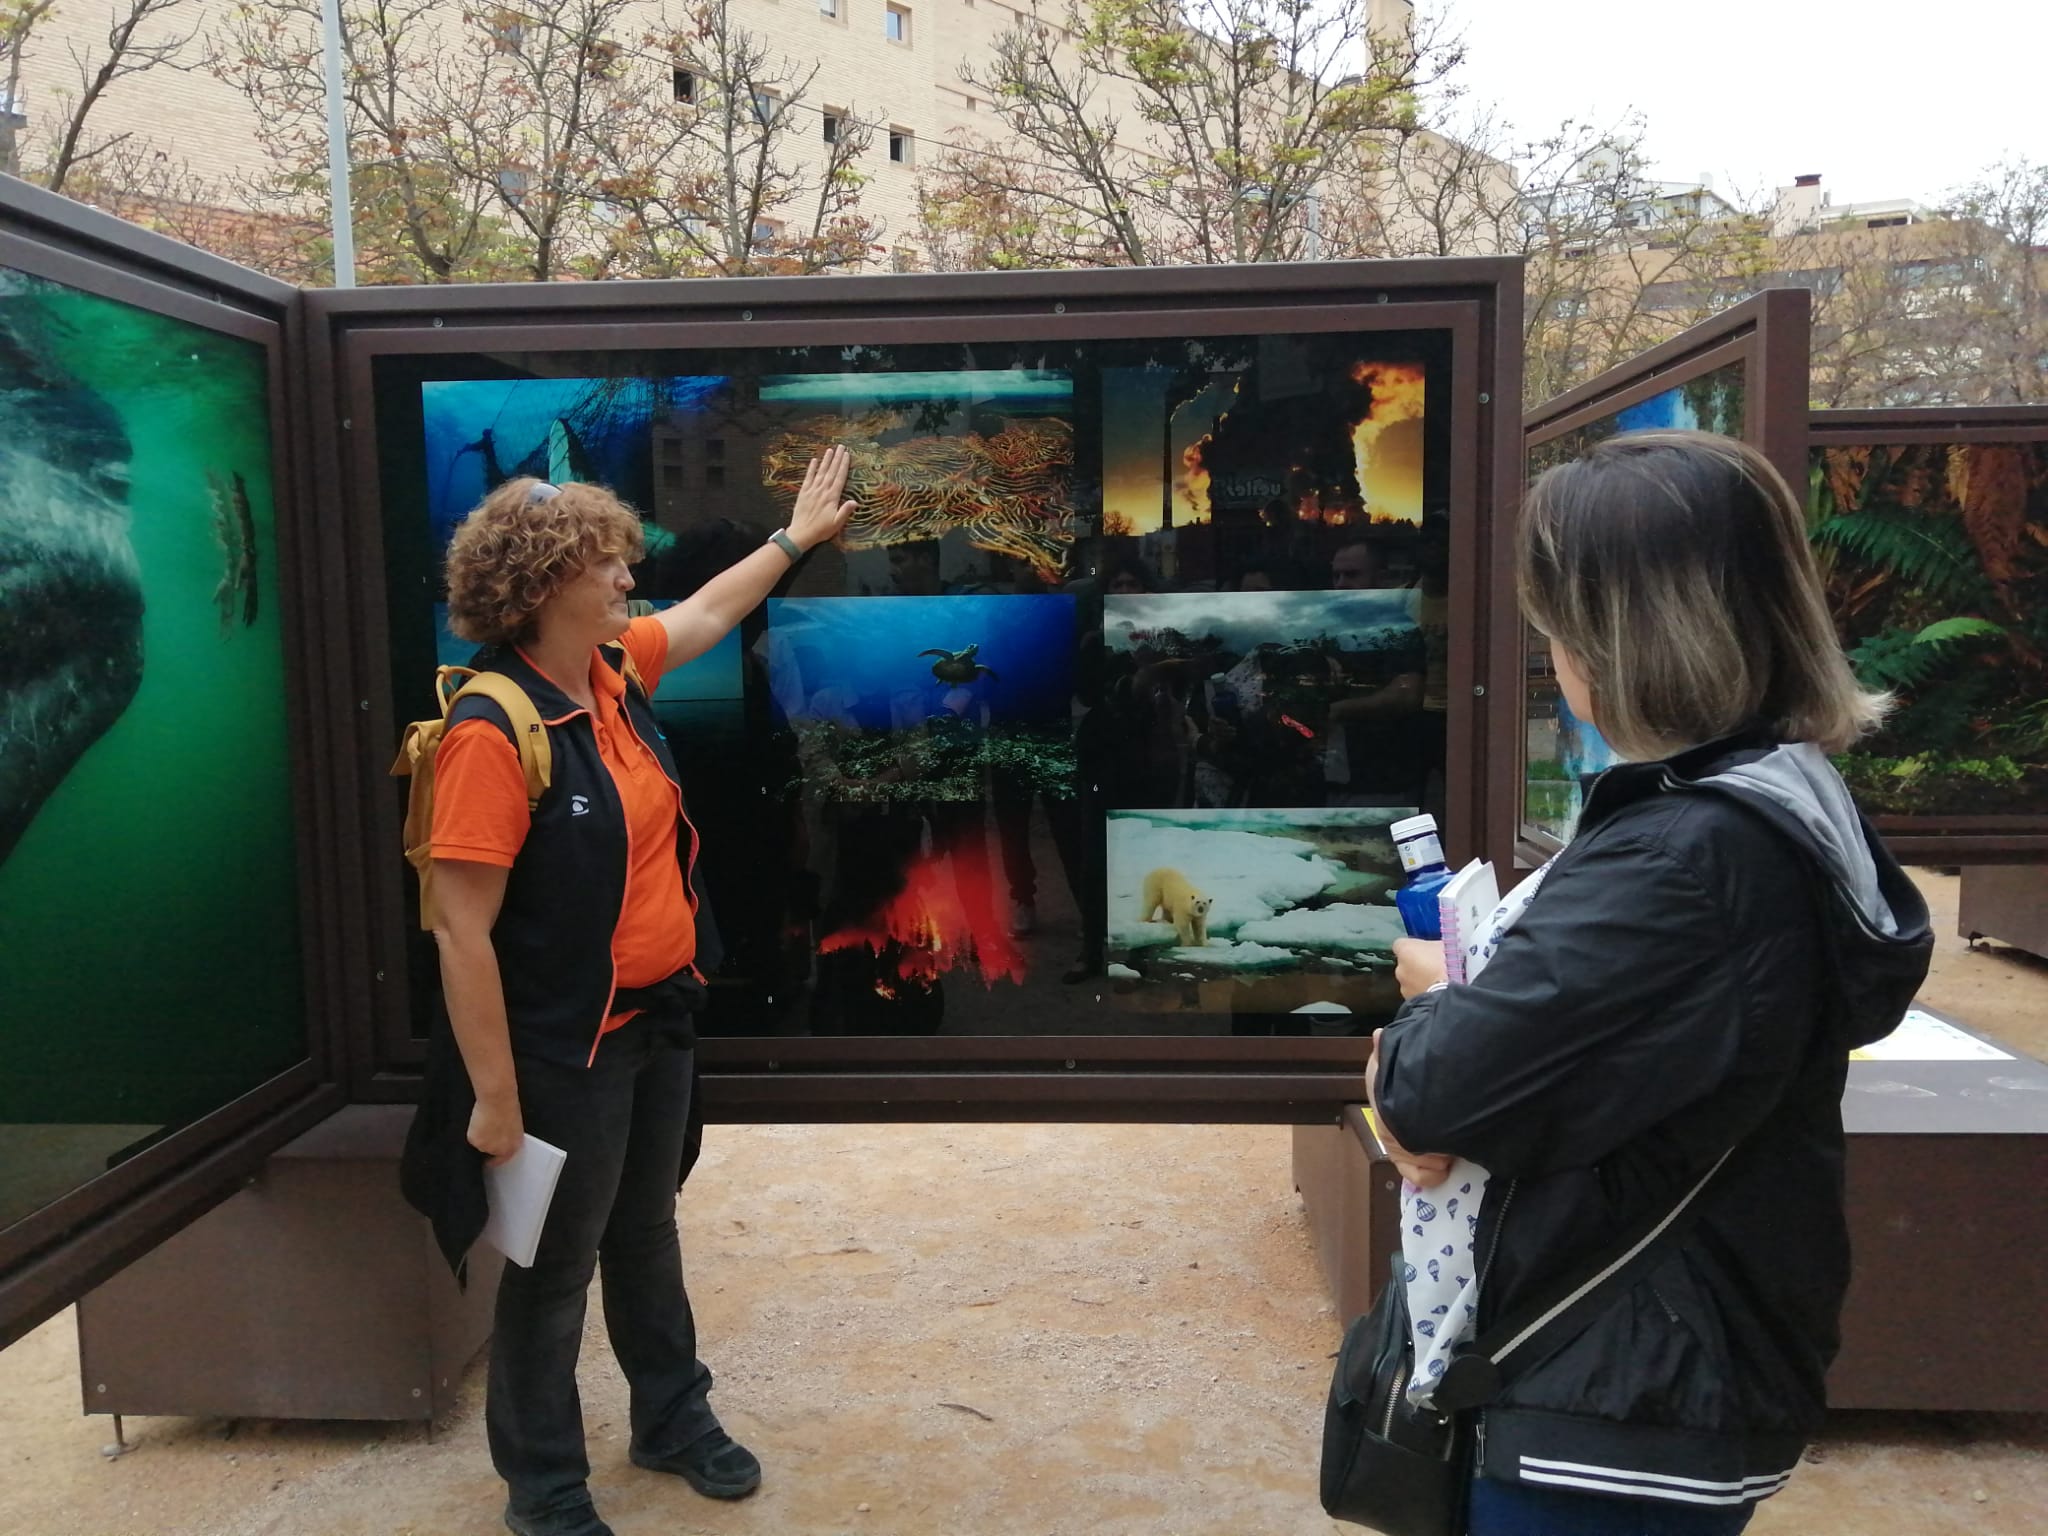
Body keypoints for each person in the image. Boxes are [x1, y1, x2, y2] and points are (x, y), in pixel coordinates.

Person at [1366, 431, 1933, 1536]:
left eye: (1557, 628)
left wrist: (1431, 997)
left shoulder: (1684, 857)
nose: (1551, 656)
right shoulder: (1779, 798)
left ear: (1617, 641)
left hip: (1614, 1400)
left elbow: (1438, 1094)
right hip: (1669, 1360)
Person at [419, 451, 855, 1536]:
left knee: (646, 1230)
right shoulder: (492, 729)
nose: (629, 576)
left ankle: (669, 1420)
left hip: (657, 1020)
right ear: (543, 583)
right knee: (552, 1267)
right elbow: (458, 930)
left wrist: (793, 540)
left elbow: (709, 609)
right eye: (607, 561)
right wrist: (493, 1098)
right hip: (564, 1049)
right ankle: (545, 1488)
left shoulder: (609, 678)